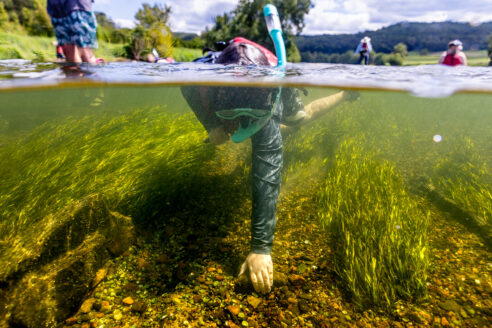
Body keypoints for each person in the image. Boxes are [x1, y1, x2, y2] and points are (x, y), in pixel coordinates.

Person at [181, 38, 355, 294]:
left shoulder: (271, 97)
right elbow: (188, 89)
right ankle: (247, 123)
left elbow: (267, 177)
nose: (243, 124)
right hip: (231, 90)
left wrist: (260, 248)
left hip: (268, 91)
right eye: (234, 117)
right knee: (222, 137)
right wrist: (212, 124)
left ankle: (345, 93)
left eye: (251, 119)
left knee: (297, 119)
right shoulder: (199, 79)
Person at [47, 0, 98, 64]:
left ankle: (90, 71)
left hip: (78, 6)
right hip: (57, 10)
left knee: (84, 51)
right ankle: (74, 73)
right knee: (68, 52)